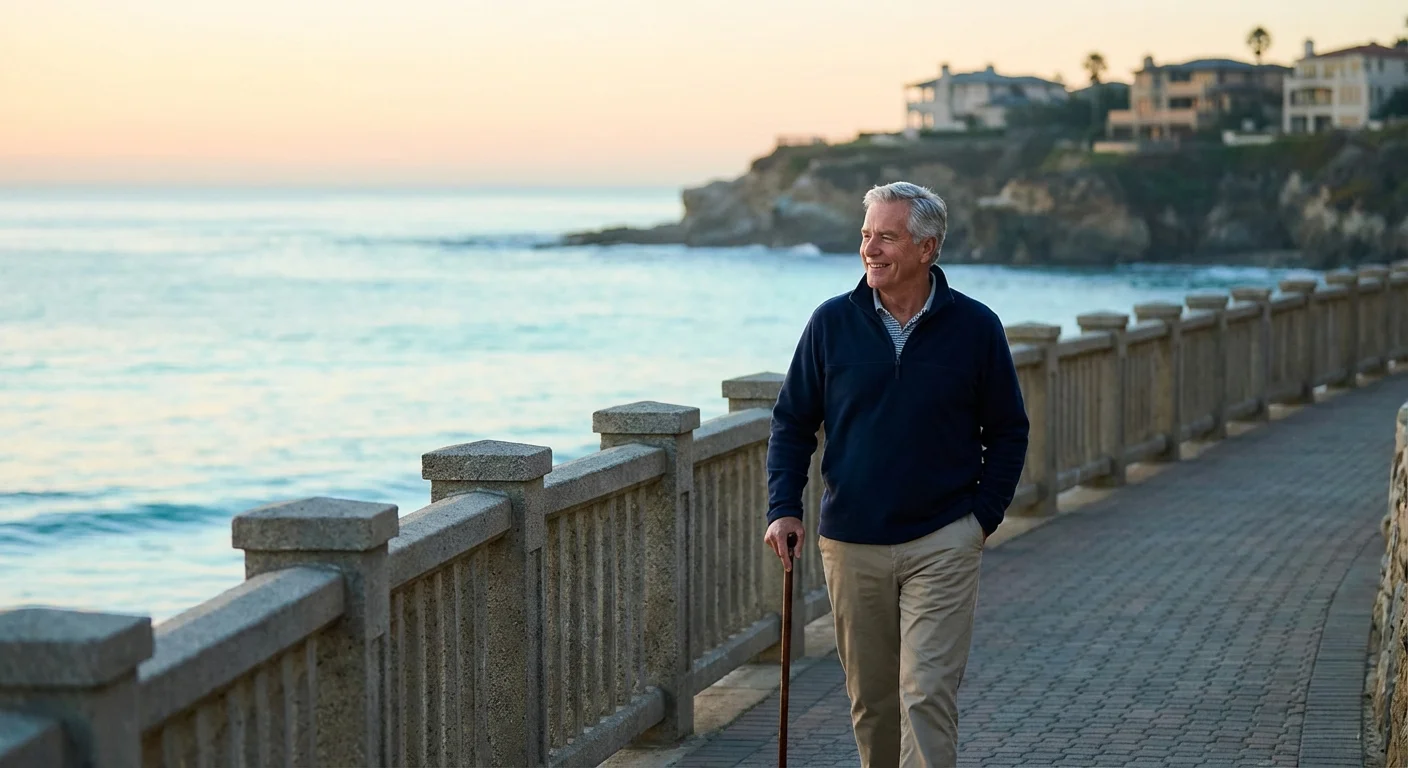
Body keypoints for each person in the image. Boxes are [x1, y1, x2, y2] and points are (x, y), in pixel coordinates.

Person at [763, 181, 1029, 768]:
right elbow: (791, 424)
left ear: (927, 247)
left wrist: (980, 519)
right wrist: (784, 506)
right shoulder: (831, 323)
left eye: (887, 236)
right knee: (873, 702)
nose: (871, 249)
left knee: (926, 694)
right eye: (866, 235)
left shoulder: (976, 327)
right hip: (852, 540)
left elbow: (1009, 430)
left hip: (943, 538)